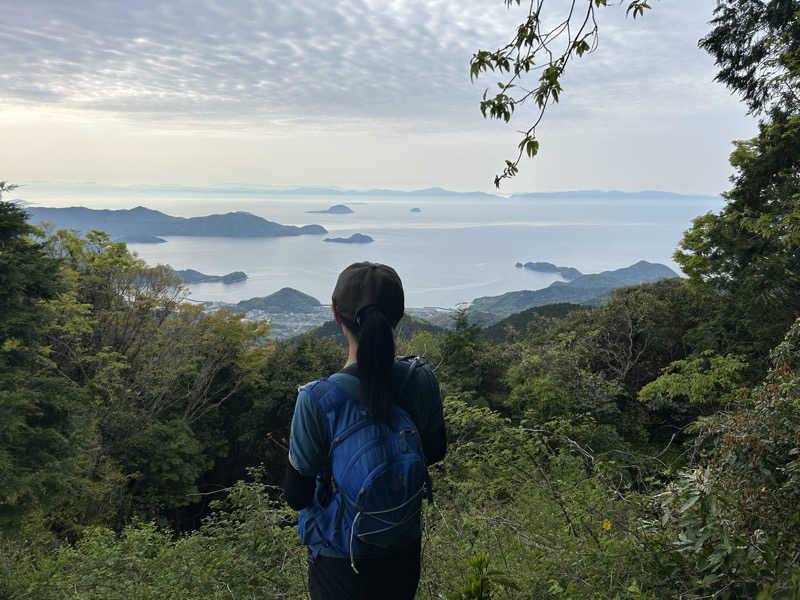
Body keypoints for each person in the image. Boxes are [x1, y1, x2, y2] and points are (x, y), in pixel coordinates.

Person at [283, 262, 447, 600]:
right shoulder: (420, 380)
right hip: (402, 545)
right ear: (398, 318)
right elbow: (435, 452)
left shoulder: (317, 401)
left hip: (341, 560)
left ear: (336, 315)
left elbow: (296, 497)